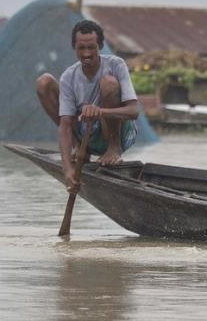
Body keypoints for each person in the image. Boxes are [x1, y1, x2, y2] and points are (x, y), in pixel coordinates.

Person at [34, 20, 140, 194]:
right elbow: (65, 125)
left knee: (108, 82)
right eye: (81, 49)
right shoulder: (69, 76)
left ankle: (113, 149)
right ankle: (79, 149)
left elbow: (133, 111)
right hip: (87, 134)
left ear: (100, 46)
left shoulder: (116, 64)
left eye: (91, 48)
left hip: (120, 134)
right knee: (43, 82)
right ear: (74, 47)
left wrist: (100, 111)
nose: (86, 54)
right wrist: (67, 170)